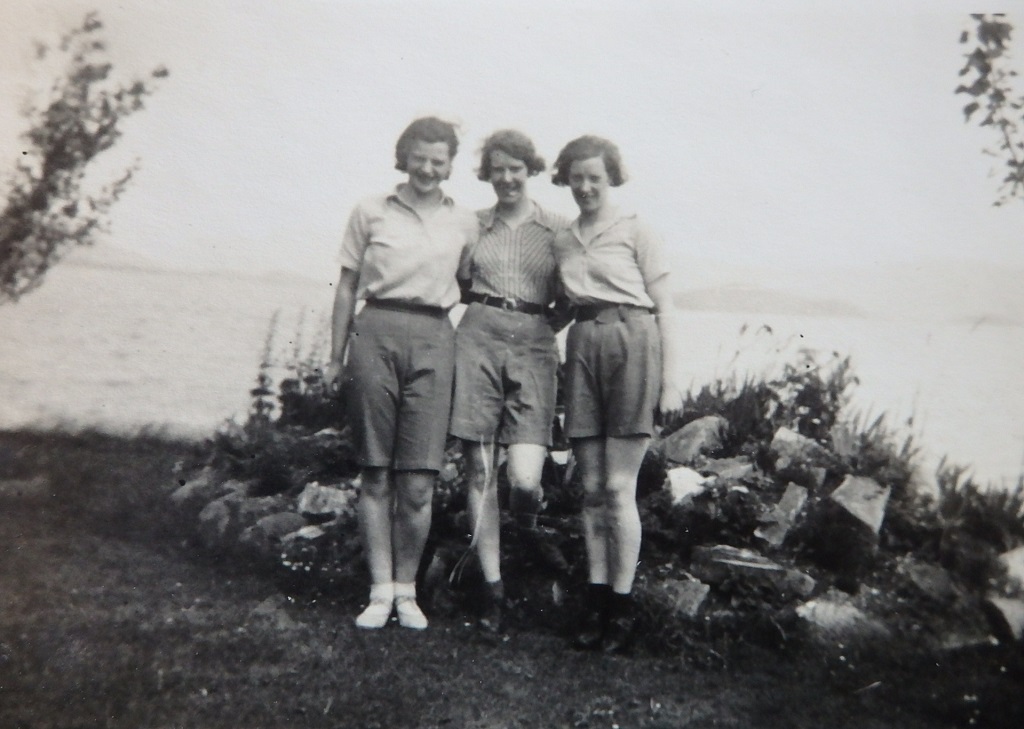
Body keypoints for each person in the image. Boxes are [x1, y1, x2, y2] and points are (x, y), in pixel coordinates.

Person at [325, 117, 479, 631]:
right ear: (404, 156)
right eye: (420, 158)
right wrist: (334, 356)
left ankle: (407, 592)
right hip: (376, 333)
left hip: (436, 336)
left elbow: (470, 283)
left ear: (451, 165)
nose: (429, 169)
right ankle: (379, 590)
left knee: (418, 481)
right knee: (375, 471)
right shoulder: (370, 211)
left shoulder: (465, 221)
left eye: (439, 160)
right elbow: (346, 286)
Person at [551, 135, 684, 653]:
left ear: (611, 179)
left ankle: (622, 608)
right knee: (590, 489)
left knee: (618, 486)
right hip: (583, 346)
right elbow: (563, 306)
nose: (585, 187)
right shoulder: (564, 239)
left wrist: (671, 381)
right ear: (566, 179)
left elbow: (666, 306)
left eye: (595, 178)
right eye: (577, 177)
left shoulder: (636, 229)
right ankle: (596, 598)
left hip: (633, 343)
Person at [450, 129, 571, 634]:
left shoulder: (558, 230)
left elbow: (571, 296)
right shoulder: (474, 226)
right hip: (477, 338)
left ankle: (528, 527)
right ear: (487, 174)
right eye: (496, 169)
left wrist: (537, 328)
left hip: (536, 344)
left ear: (530, 170)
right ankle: (493, 589)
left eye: (515, 168)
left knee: (524, 478)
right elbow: (455, 281)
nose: (505, 178)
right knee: (479, 469)